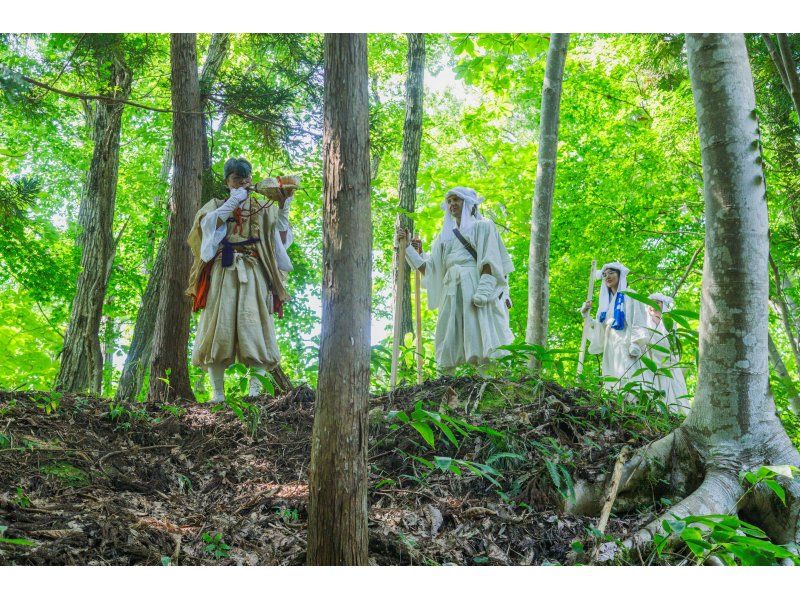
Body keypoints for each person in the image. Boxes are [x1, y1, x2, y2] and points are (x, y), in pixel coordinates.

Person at [185, 157, 295, 403]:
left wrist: (284, 206)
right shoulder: (214, 205)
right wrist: (232, 203)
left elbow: (280, 239)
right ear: (227, 181)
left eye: (246, 178)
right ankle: (218, 394)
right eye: (237, 178)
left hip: (254, 272)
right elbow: (205, 230)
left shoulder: (264, 207)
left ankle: (256, 391)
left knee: (254, 325)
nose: (243, 182)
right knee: (217, 328)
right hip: (222, 272)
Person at [399, 186, 514, 375]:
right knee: (447, 330)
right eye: (449, 201)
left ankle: (488, 379)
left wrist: (483, 292)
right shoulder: (444, 236)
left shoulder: (483, 226)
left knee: (480, 330)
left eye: (456, 200)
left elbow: (490, 261)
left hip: (475, 285)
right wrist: (408, 248)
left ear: (468, 203)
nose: (452, 204)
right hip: (451, 288)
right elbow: (430, 270)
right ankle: (445, 379)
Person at [579, 262, 648, 392]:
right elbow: (599, 327)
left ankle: (635, 405)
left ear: (619, 275)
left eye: (611, 273)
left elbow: (637, 318)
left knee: (630, 372)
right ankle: (615, 404)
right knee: (612, 375)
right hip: (610, 344)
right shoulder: (605, 304)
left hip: (625, 340)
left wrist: (636, 343)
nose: (607, 276)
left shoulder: (630, 295)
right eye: (604, 274)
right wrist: (585, 315)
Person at [636, 293, 691, 415]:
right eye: (651, 302)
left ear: (663, 304)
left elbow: (673, 341)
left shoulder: (669, 321)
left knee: (672, 383)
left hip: (667, 359)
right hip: (650, 357)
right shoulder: (645, 320)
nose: (653, 305)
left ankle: (675, 411)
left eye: (657, 302)